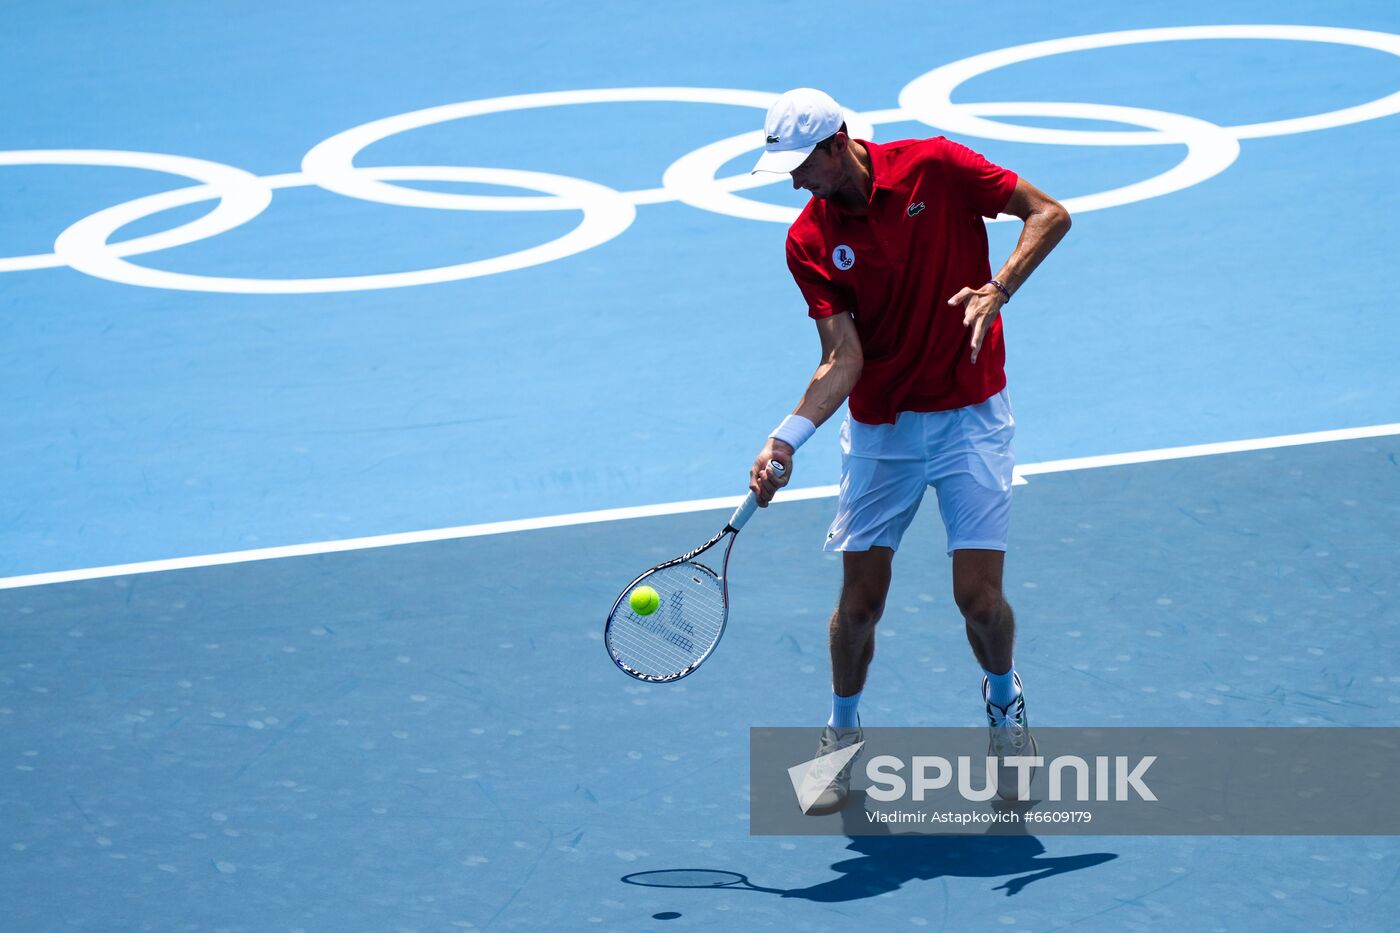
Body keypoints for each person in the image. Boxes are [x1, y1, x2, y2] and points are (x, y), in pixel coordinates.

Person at [748, 88, 1071, 810]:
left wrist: (999, 287)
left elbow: (1050, 214)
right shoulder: (807, 239)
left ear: (838, 143)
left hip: (970, 417)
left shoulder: (937, 166)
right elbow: (843, 358)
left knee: (979, 603)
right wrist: (786, 437)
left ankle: (1004, 710)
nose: (797, 182)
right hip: (882, 431)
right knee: (859, 606)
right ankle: (841, 739)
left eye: (803, 165)